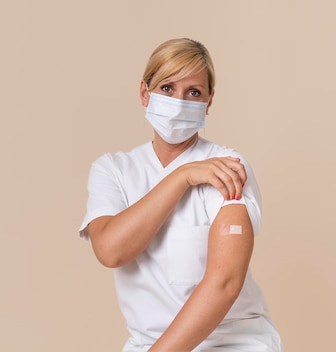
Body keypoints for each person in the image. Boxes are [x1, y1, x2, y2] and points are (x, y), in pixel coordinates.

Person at [78, 38, 283, 352]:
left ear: (209, 102)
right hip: (148, 345)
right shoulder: (113, 170)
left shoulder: (228, 167)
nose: (179, 101)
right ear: (145, 93)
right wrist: (182, 177)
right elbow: (110, 250)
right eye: (167, 88)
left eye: (194, 92)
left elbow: (225, 283)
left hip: (235, 343)